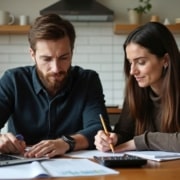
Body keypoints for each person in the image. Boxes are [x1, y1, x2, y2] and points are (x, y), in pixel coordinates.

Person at [0, 14, 110, 158]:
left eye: (64, 58)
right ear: (32, 54)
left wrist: (66, 142)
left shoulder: (88, 80)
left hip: (75, 167)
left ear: (72, 52)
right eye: (47, 59)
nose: (56, 68)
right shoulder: (13, 80)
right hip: (25, 165)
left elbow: (99, 129)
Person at [94, 22, 180, 153]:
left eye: (141, 62)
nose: (132, 71)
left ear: (165, 60)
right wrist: (113, 139)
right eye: (130, 63)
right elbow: (125, 132)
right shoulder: (136, 90)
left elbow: (135, 142)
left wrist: (141, 141)